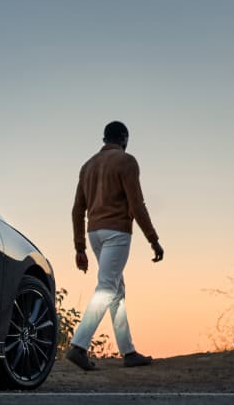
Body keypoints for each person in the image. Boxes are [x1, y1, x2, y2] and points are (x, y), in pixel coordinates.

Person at [65, 121, 163, 370]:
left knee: (116, 291)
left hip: (94, 233)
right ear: (125, 139)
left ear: (104, 138)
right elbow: (136, 205)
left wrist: (79, 248)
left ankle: (128, 352)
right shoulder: (127, 161)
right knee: (107, 287)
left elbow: (78, 209)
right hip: (117, 232)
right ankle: (78, 346)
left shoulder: (87, 166)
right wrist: (153, 239)